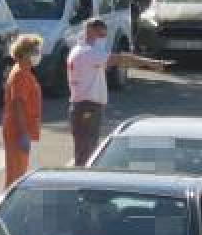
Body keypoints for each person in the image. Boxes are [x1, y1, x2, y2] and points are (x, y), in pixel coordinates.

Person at [67, 18, 169, 166]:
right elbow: (121, 58)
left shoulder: (79, 50)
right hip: (87, 107)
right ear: (91, 31)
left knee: (84, 150)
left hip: (83, 106)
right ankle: (82, 183)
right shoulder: (88, 53)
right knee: (86, 153)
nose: (103, 40)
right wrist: (151, 63)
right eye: (101, 35)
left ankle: (82, 180)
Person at [1, 34, 43, 186]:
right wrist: (24, 133)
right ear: (25, 53)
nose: (39, 55)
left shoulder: (22, 71)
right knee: (17, 177)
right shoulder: (21, 74)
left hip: (19, 129)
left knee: (19, 172)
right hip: (18, 131)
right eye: (35, 51)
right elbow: (18, 104)